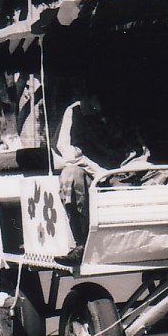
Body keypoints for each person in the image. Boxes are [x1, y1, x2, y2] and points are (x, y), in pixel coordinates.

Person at [55, 95, 128, 266]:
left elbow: (138, 147)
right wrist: (98, 172)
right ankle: (82, 244)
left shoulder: (124, 107)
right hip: (91, 173)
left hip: (124, 171)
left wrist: (128, 169)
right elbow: (67, 151)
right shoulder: (76, 111)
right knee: (71, 174)